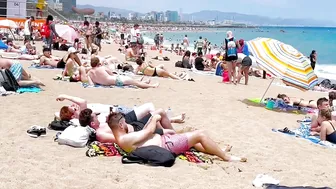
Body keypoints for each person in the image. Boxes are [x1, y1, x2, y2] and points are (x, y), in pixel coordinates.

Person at [106, 112, 247, 162]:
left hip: (164, 142)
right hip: (167, 145)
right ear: (120, 125)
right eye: (124, 122)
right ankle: (226, 158)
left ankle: (218, 150)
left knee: (192, 141)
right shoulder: (124, 139)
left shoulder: (122, 138)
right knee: (200, 134)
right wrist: (155, 118)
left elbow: (145, 137)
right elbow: (148, 132)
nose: (126, 124)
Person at [79, 107, 185, 143]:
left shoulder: (101, 125)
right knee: (160, 112)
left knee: (156, 116)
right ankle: (176, 136)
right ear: (92, 123)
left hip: (134, 125)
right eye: (95, 116)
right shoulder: (100, 133)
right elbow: (120, 139)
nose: (97, 116)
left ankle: (173, 134)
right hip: (138, 131)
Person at [88, 57, 159, 88]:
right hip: (117, 80)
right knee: (135, 83)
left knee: (131, 81)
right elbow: (112, 74)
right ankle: (152, 86)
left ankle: (143, 82)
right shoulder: (102, 68)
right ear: (98, 63)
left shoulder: (90, 73)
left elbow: (92, 84)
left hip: (112, 83)